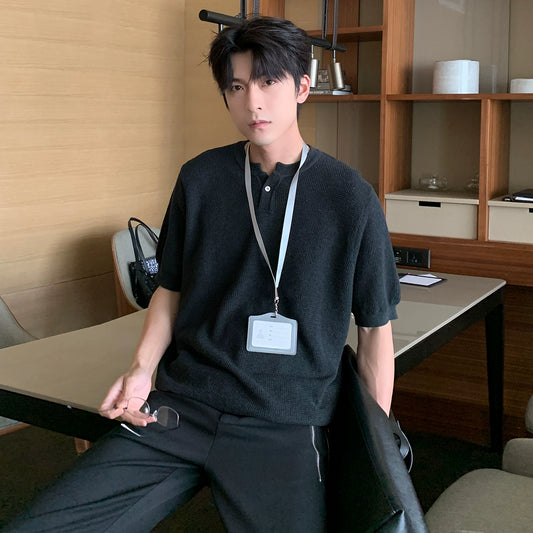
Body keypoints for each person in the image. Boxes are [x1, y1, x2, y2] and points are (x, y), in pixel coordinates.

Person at [5, 16, 400, 533]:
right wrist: (140, 371)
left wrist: (374, 448)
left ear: (302, 88)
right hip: (181, 406)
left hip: (285, 421)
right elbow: (169, 290)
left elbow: (374, 331)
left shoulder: (350, 197)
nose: (252, 102)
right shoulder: (200, 178)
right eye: (236, 87)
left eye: (268, 82)